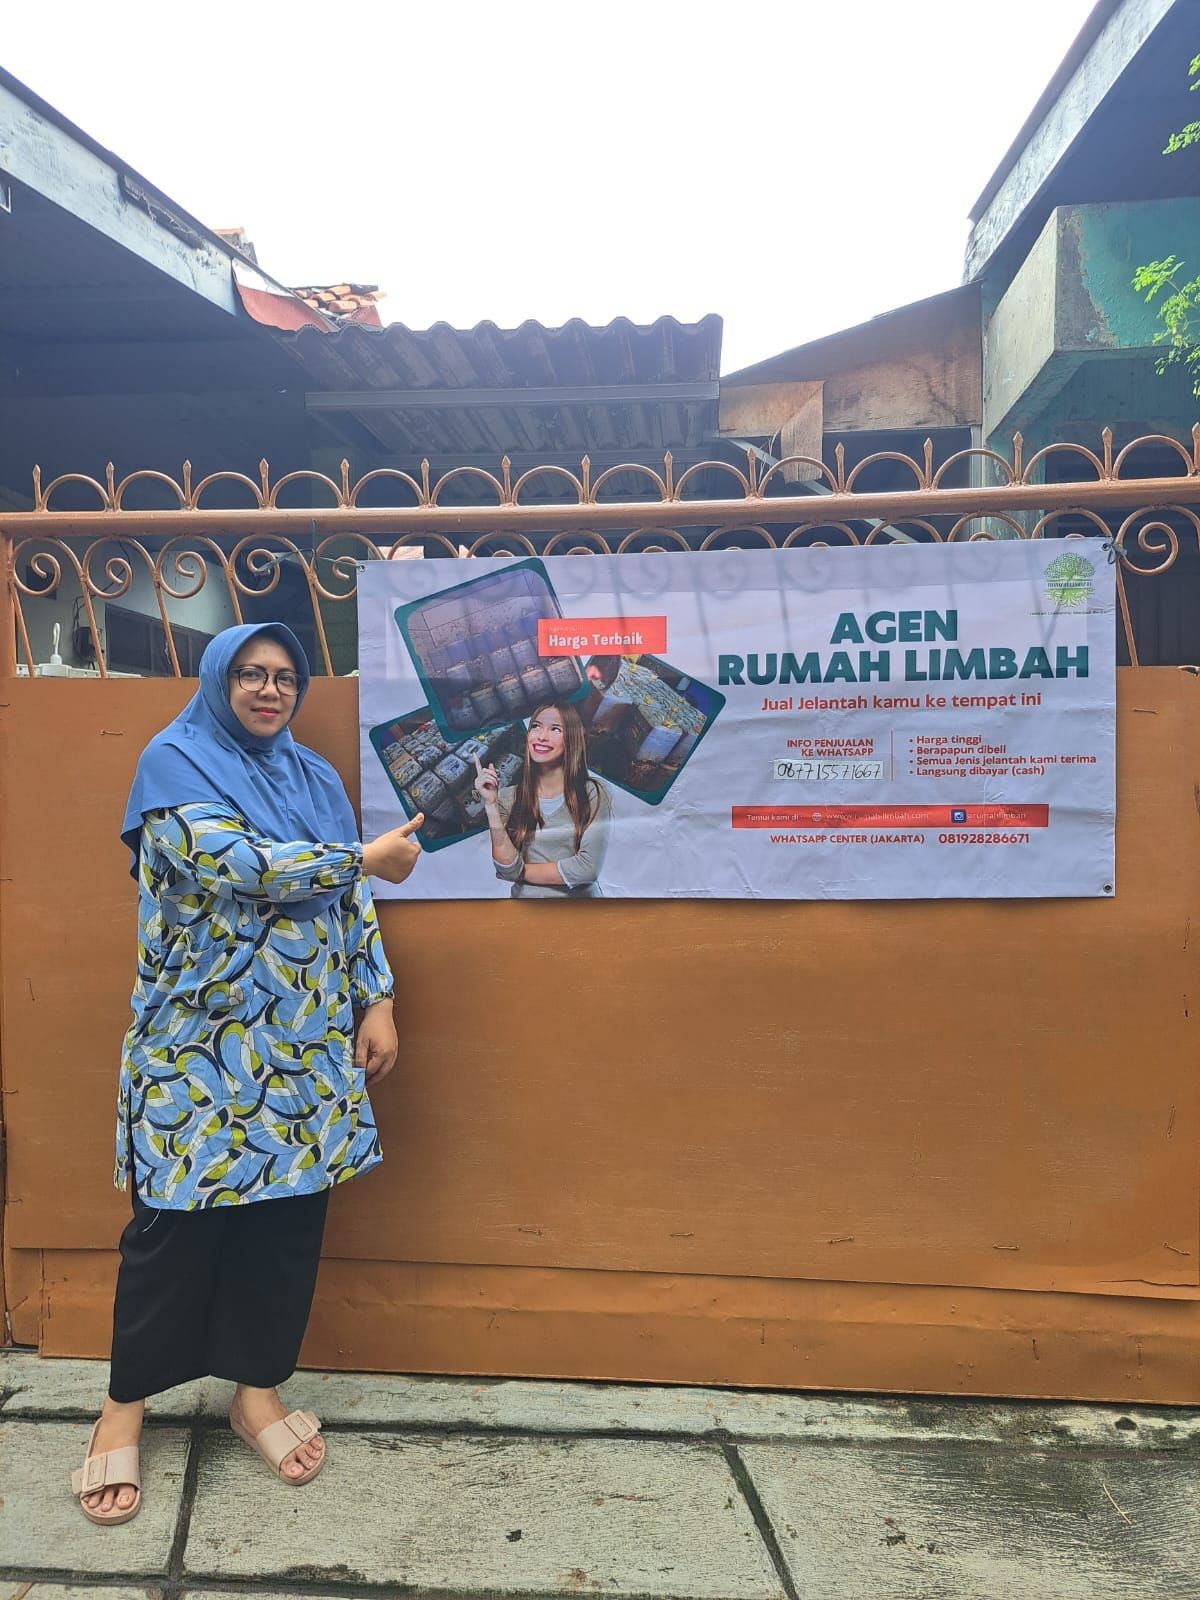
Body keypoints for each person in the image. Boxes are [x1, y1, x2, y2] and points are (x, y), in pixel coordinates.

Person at [74, 622, 424, 1526]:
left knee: (286, 1226)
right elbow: (231, 864)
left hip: (303, 1048)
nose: (269, 691)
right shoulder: (175, 763)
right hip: (197, 1049)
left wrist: (374, 998)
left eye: (283, 678)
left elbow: (353, 905)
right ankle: (124, 1407)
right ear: (217, 679)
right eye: (250, 675)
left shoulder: (312, 779)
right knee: (173, 1230)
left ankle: (257, 1392)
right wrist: (362, 856)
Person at [474, 701, 612, 897]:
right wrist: (490, 804)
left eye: (555, 729)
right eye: (536, 726)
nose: (541, 736)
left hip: (583, 915)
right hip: (525, 915)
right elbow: (506, 866)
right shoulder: (507, 797)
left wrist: (520, 872)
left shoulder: (593, 791)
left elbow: (587, 869)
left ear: (571, 739)